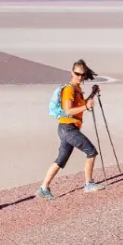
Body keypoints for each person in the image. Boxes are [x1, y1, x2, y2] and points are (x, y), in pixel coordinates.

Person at [36, 59, 104, 199]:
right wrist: (86, 107)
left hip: (66, 128)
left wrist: (92, 94)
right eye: (77, 74)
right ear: (71, 72)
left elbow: (81, 106)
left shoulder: (77, 89)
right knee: (91, 152)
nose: (80, 77)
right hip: (68, 128)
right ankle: (88, 184)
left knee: (61, 159)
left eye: (82, 74)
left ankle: (43, 188)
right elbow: (68, 111)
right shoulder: (69, 89)